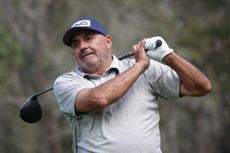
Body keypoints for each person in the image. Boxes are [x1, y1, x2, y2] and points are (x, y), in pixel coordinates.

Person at [53, 17, 211, 153]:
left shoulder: (146, 69)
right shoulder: (66, 82)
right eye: (75, 44)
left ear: (108, 41)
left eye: (88, 38)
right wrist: (140, 66)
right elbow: (99, 99)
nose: (82, 46)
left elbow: (200, 87)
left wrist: (167, 55)